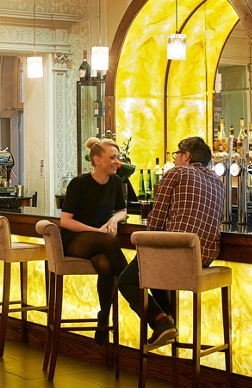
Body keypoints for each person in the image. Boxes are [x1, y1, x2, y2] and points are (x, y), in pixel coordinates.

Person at [117, 136, 225, 349]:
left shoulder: (177, 172)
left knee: (126, 281)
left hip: (178, 253)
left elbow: (156, 219)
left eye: (177, 154)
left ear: (186, 156)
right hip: (204, 258)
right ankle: (168, 324)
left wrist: (145, 242)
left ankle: (161, 321)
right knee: (157, 272)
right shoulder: (218, 182)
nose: (175, 159)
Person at [59, 137, 129, 343]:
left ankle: (103, 318)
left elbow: (122, 210)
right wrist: (97, 232)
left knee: (105, 264)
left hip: (100, 239)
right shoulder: (79, 183)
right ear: (97, 160)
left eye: (117, 157)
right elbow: (65, 221)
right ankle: (132, 286)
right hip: (74, 239)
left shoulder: (115, 181)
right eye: (112, 157)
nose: (117, 162)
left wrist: (114, 220)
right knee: (108, 241)